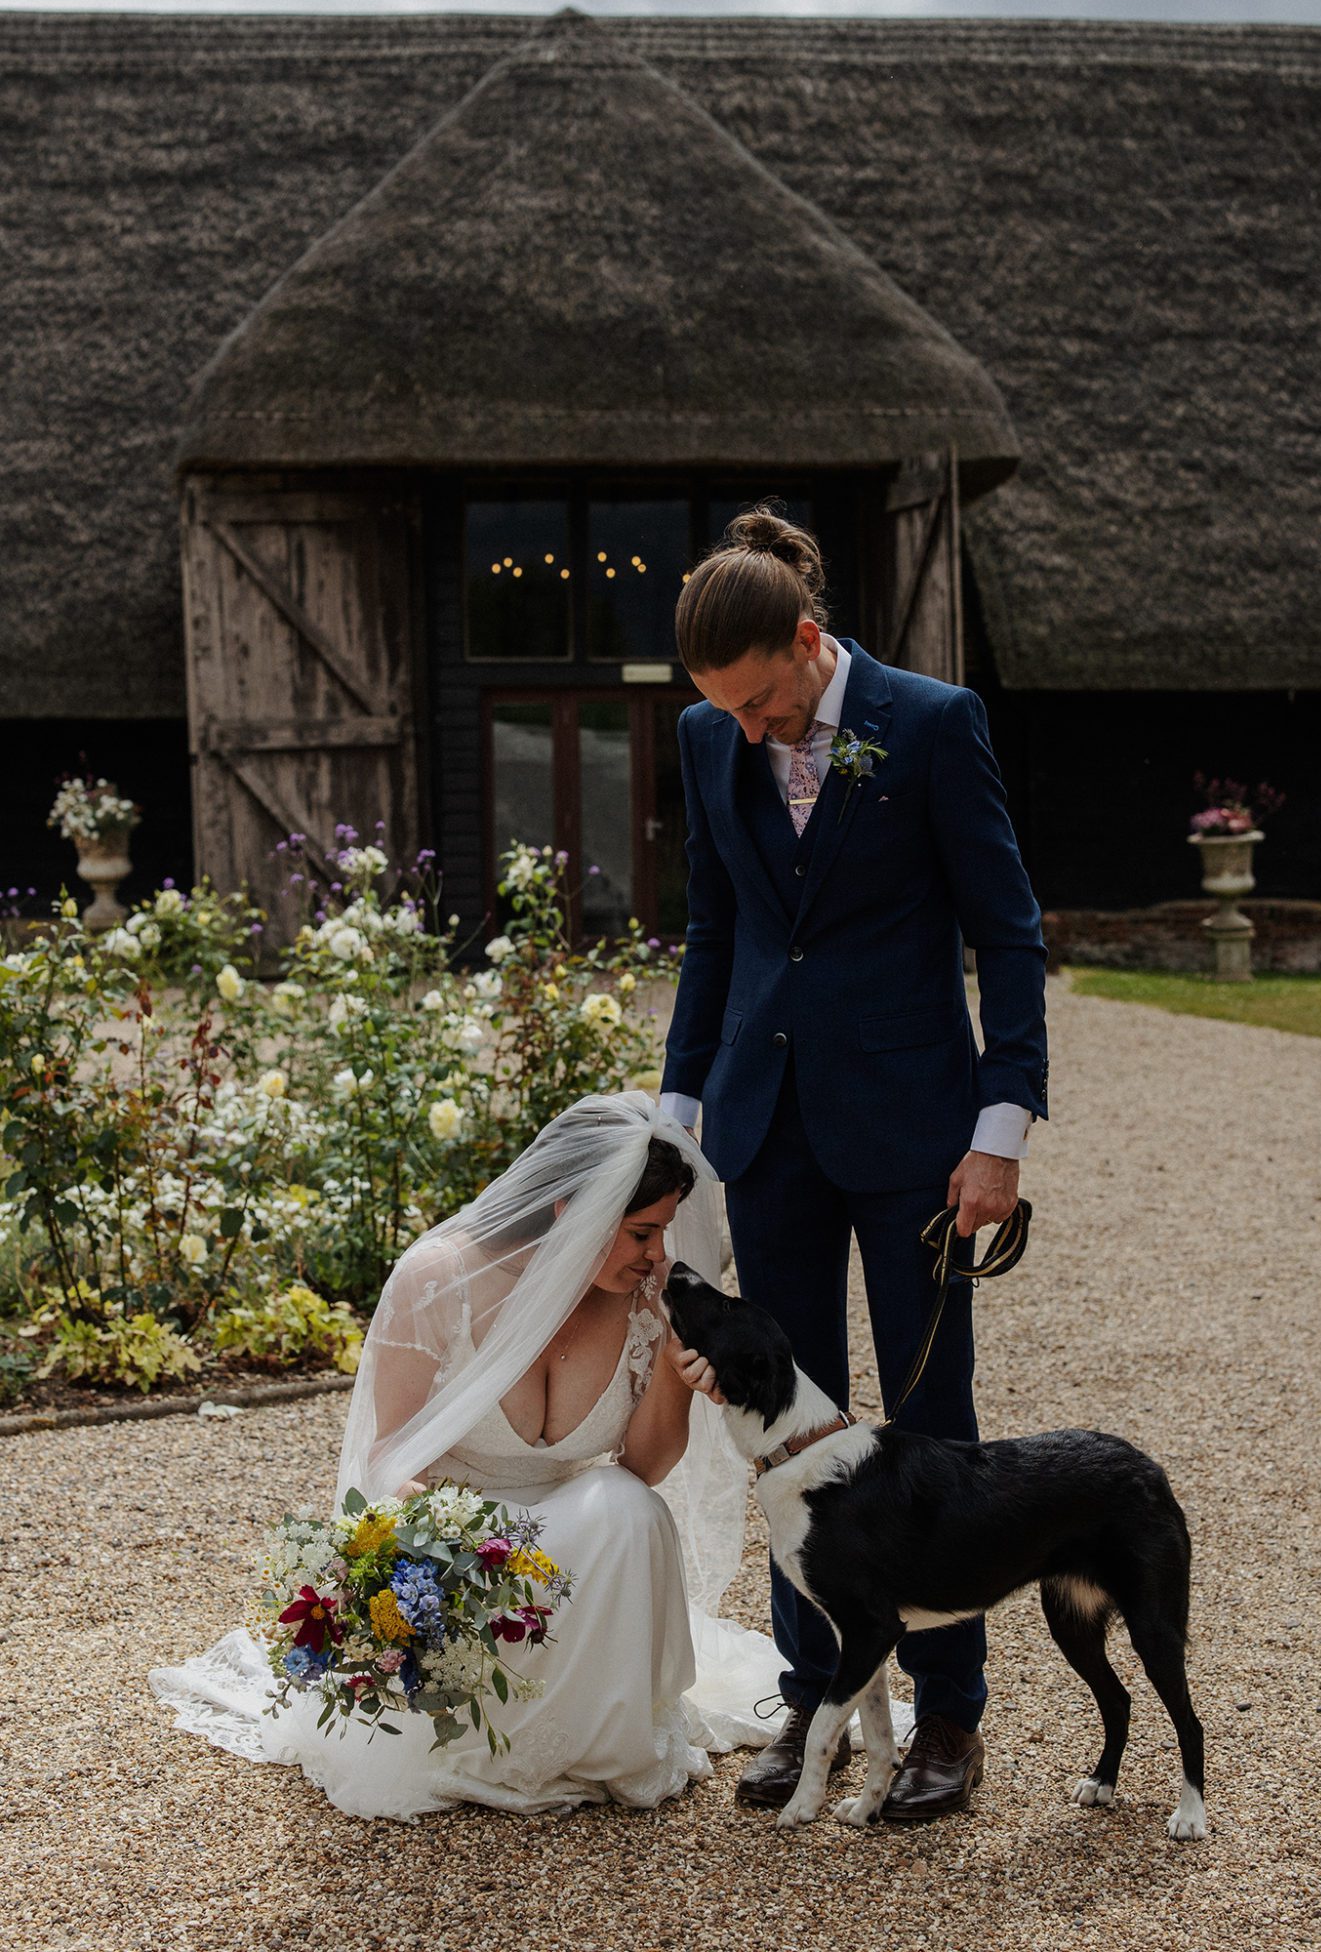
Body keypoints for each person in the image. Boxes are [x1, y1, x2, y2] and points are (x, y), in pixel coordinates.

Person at [661, 507, 1048, 1820]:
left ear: (811, 642)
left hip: (915, 1138)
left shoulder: (934, 723)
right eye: (728, 712)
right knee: (782, 1431)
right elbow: (714, 934)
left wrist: (999, 1131)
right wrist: (678, 1107)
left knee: (933, 1421)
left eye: (766, 704)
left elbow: (1007, 933)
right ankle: (816, 1703)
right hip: (764, 1126)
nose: (750, 731)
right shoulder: (707, 735)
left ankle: (948, 1720)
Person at [151, 1092, 786, 1817]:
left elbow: (639, 1468)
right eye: (641, 1232)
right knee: (538, 1545)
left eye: (662, 1233)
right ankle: (486, 1728)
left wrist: (674, 1368)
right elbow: (388, 1453)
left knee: (628, 1506)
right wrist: (431, 1540)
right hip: (453, 1539)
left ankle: (605, 1741)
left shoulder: (644, 1297)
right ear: (569, 1210)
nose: (657, 1256)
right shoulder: (440, 1277)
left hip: (567, 1536)